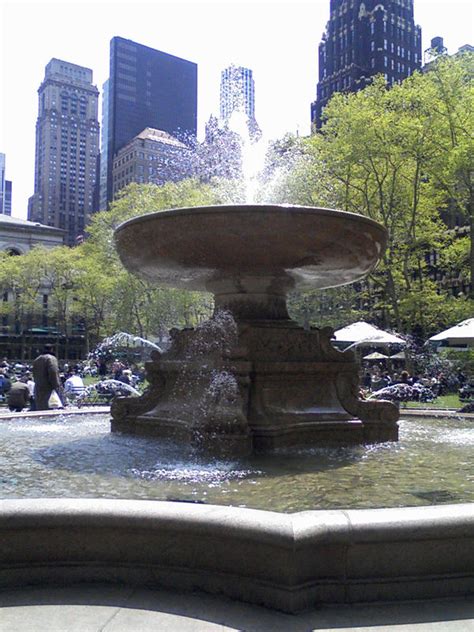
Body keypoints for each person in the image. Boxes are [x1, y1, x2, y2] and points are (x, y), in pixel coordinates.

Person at [32, 344, 65, 411]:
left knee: (41, 410)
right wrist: (56, 386)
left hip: (38, 388)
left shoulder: (36, 360)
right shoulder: (51, 358)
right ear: (52, 349)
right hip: (49, 388)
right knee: (54, 409)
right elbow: (53, 372)